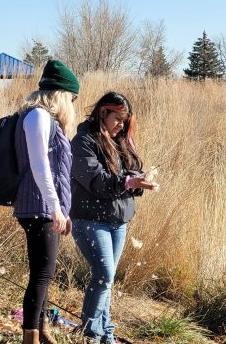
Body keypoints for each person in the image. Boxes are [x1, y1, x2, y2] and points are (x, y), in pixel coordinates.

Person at [70, 92, 156, 343]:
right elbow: (97, 182)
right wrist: (129, 181)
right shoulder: (83, 141)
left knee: (105, 279)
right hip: (89, 220)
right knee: (104, 275)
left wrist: (141, 181)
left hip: (118, 221)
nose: (121, 124)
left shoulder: (121, 141)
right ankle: (91, 334)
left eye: (125, 120)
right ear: (102, 113)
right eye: (117, 118)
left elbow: (128, 177)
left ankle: (105, 332)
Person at [12, 59, 79, 344]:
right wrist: (55, 209)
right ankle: (30, 337)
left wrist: (61, 209)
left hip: (42, 206)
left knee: (43, 271)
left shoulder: (41, 118)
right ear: (61, 94)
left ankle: (42, 329)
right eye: (71, 97)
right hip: (38, 206)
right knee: (42, 273)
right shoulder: (38, 117)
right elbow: (40, 167)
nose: (73, 104)